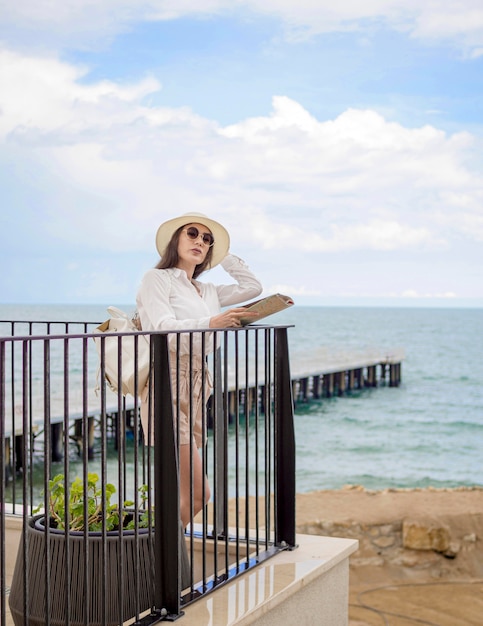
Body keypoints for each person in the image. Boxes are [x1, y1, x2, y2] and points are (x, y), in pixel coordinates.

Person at [136, 212, 262, 528]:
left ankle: (159, 557)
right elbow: (162, 327)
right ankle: (156, 555)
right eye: (192, 234)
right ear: (174, 239)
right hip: (167, 378)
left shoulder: (207, 291)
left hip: (196, 382)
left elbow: (252, 286)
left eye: (207, 239)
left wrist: (223, 253)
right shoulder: (157, 279)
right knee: (198, 494)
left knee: (180, 490)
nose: (200, 241)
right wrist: (212, 322)